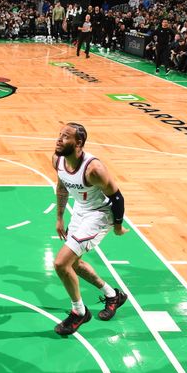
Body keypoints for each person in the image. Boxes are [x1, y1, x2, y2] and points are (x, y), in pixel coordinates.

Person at [52, 123, 129, 335]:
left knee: (61, 264)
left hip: (99, 215)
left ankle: (79, 312)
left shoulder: (94, 169)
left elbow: (117, 197)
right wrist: (59, 217)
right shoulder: (58, 160)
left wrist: (118, 226)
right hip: (80, 210)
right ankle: (113, 295)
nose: (58, 139)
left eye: (65, 136)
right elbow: (61, 187)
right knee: (73, 264)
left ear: (78, 143)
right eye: (59, 135)